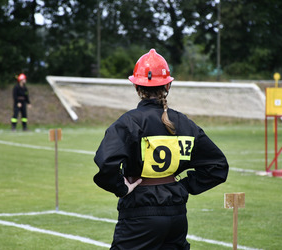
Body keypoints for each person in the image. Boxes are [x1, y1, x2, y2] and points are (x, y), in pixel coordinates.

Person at [93, 49, 229, 249]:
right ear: (168, 85)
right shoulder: (185, 123)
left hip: (140, 212)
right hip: (176, 214)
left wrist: (121, 188)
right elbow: (217, 166)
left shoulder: (129, 122)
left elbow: (106, 165)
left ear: (137, 87)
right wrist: (182, 186)